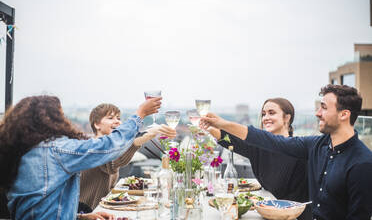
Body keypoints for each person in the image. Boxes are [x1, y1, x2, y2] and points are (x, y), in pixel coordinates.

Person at [201, 84, 372, 220]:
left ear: (344, 114)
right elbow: (265, 140)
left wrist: (222, 124)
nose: (317, 113)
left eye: (324, 108)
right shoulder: (315, 145)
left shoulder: (362, 163)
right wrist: (219, 125)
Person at [0, 95, 175, 219]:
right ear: (50, 121)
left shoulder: (22, 153)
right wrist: (139, 115)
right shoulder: (54, 149)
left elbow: (39, 208)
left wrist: (82, 217)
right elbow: (108, 148)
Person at [208, 98, 311, 220]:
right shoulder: (259, 148)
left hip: (294, 216)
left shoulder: (298, 149)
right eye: (263, 114)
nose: (266, 117)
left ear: (287, 118)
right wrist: (208, 127)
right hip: (268, 214)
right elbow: (229, 140)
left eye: (271, 113)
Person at [79, 103, 175, 209]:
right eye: (110, 118)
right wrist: (147, 135)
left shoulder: (111, 148)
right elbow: (113, 162)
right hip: (85, 212)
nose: (117, 121)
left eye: (118, 118)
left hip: (103, 209)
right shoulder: (93, 146)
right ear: (97, 124)